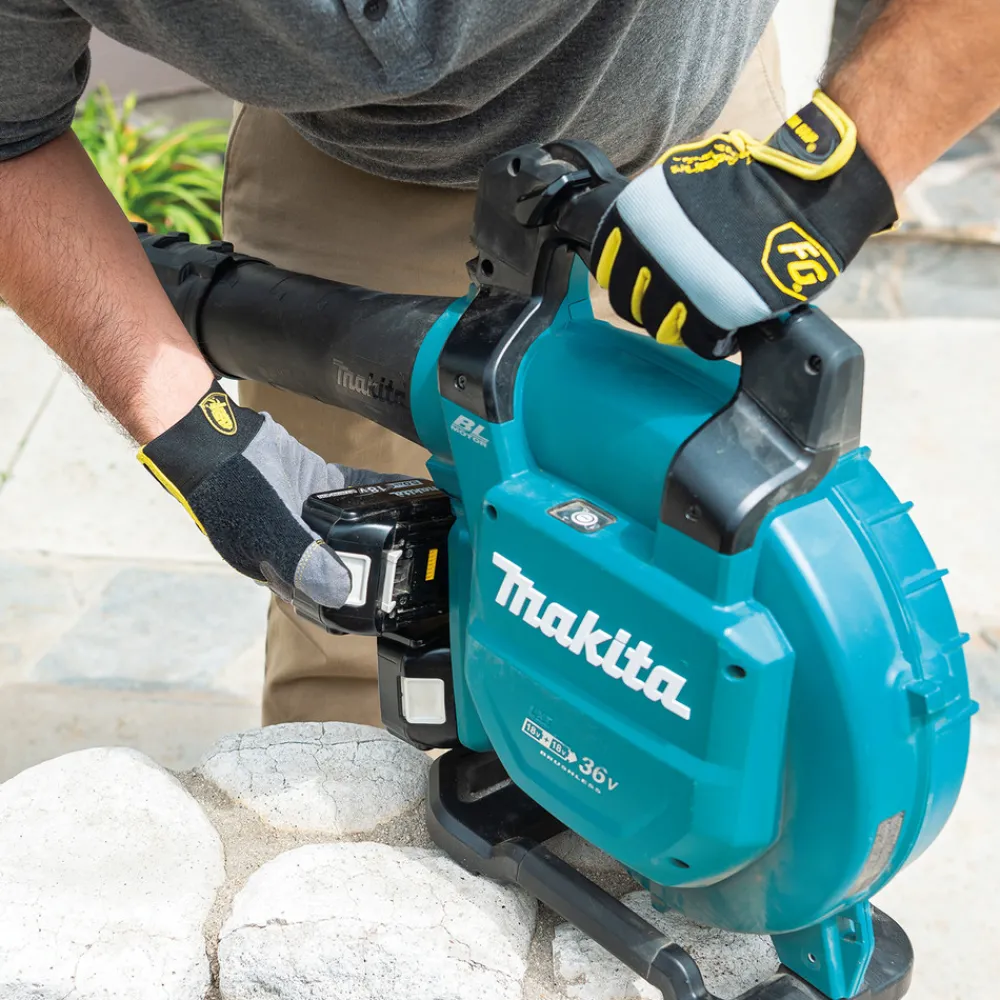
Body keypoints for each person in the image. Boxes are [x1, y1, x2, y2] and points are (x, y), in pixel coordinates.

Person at [0, 0, 997, 729]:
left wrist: (827, 177)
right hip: (361, 176)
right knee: (363, 675)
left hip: (695, 159)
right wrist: (202, 443)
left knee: (697, 655)